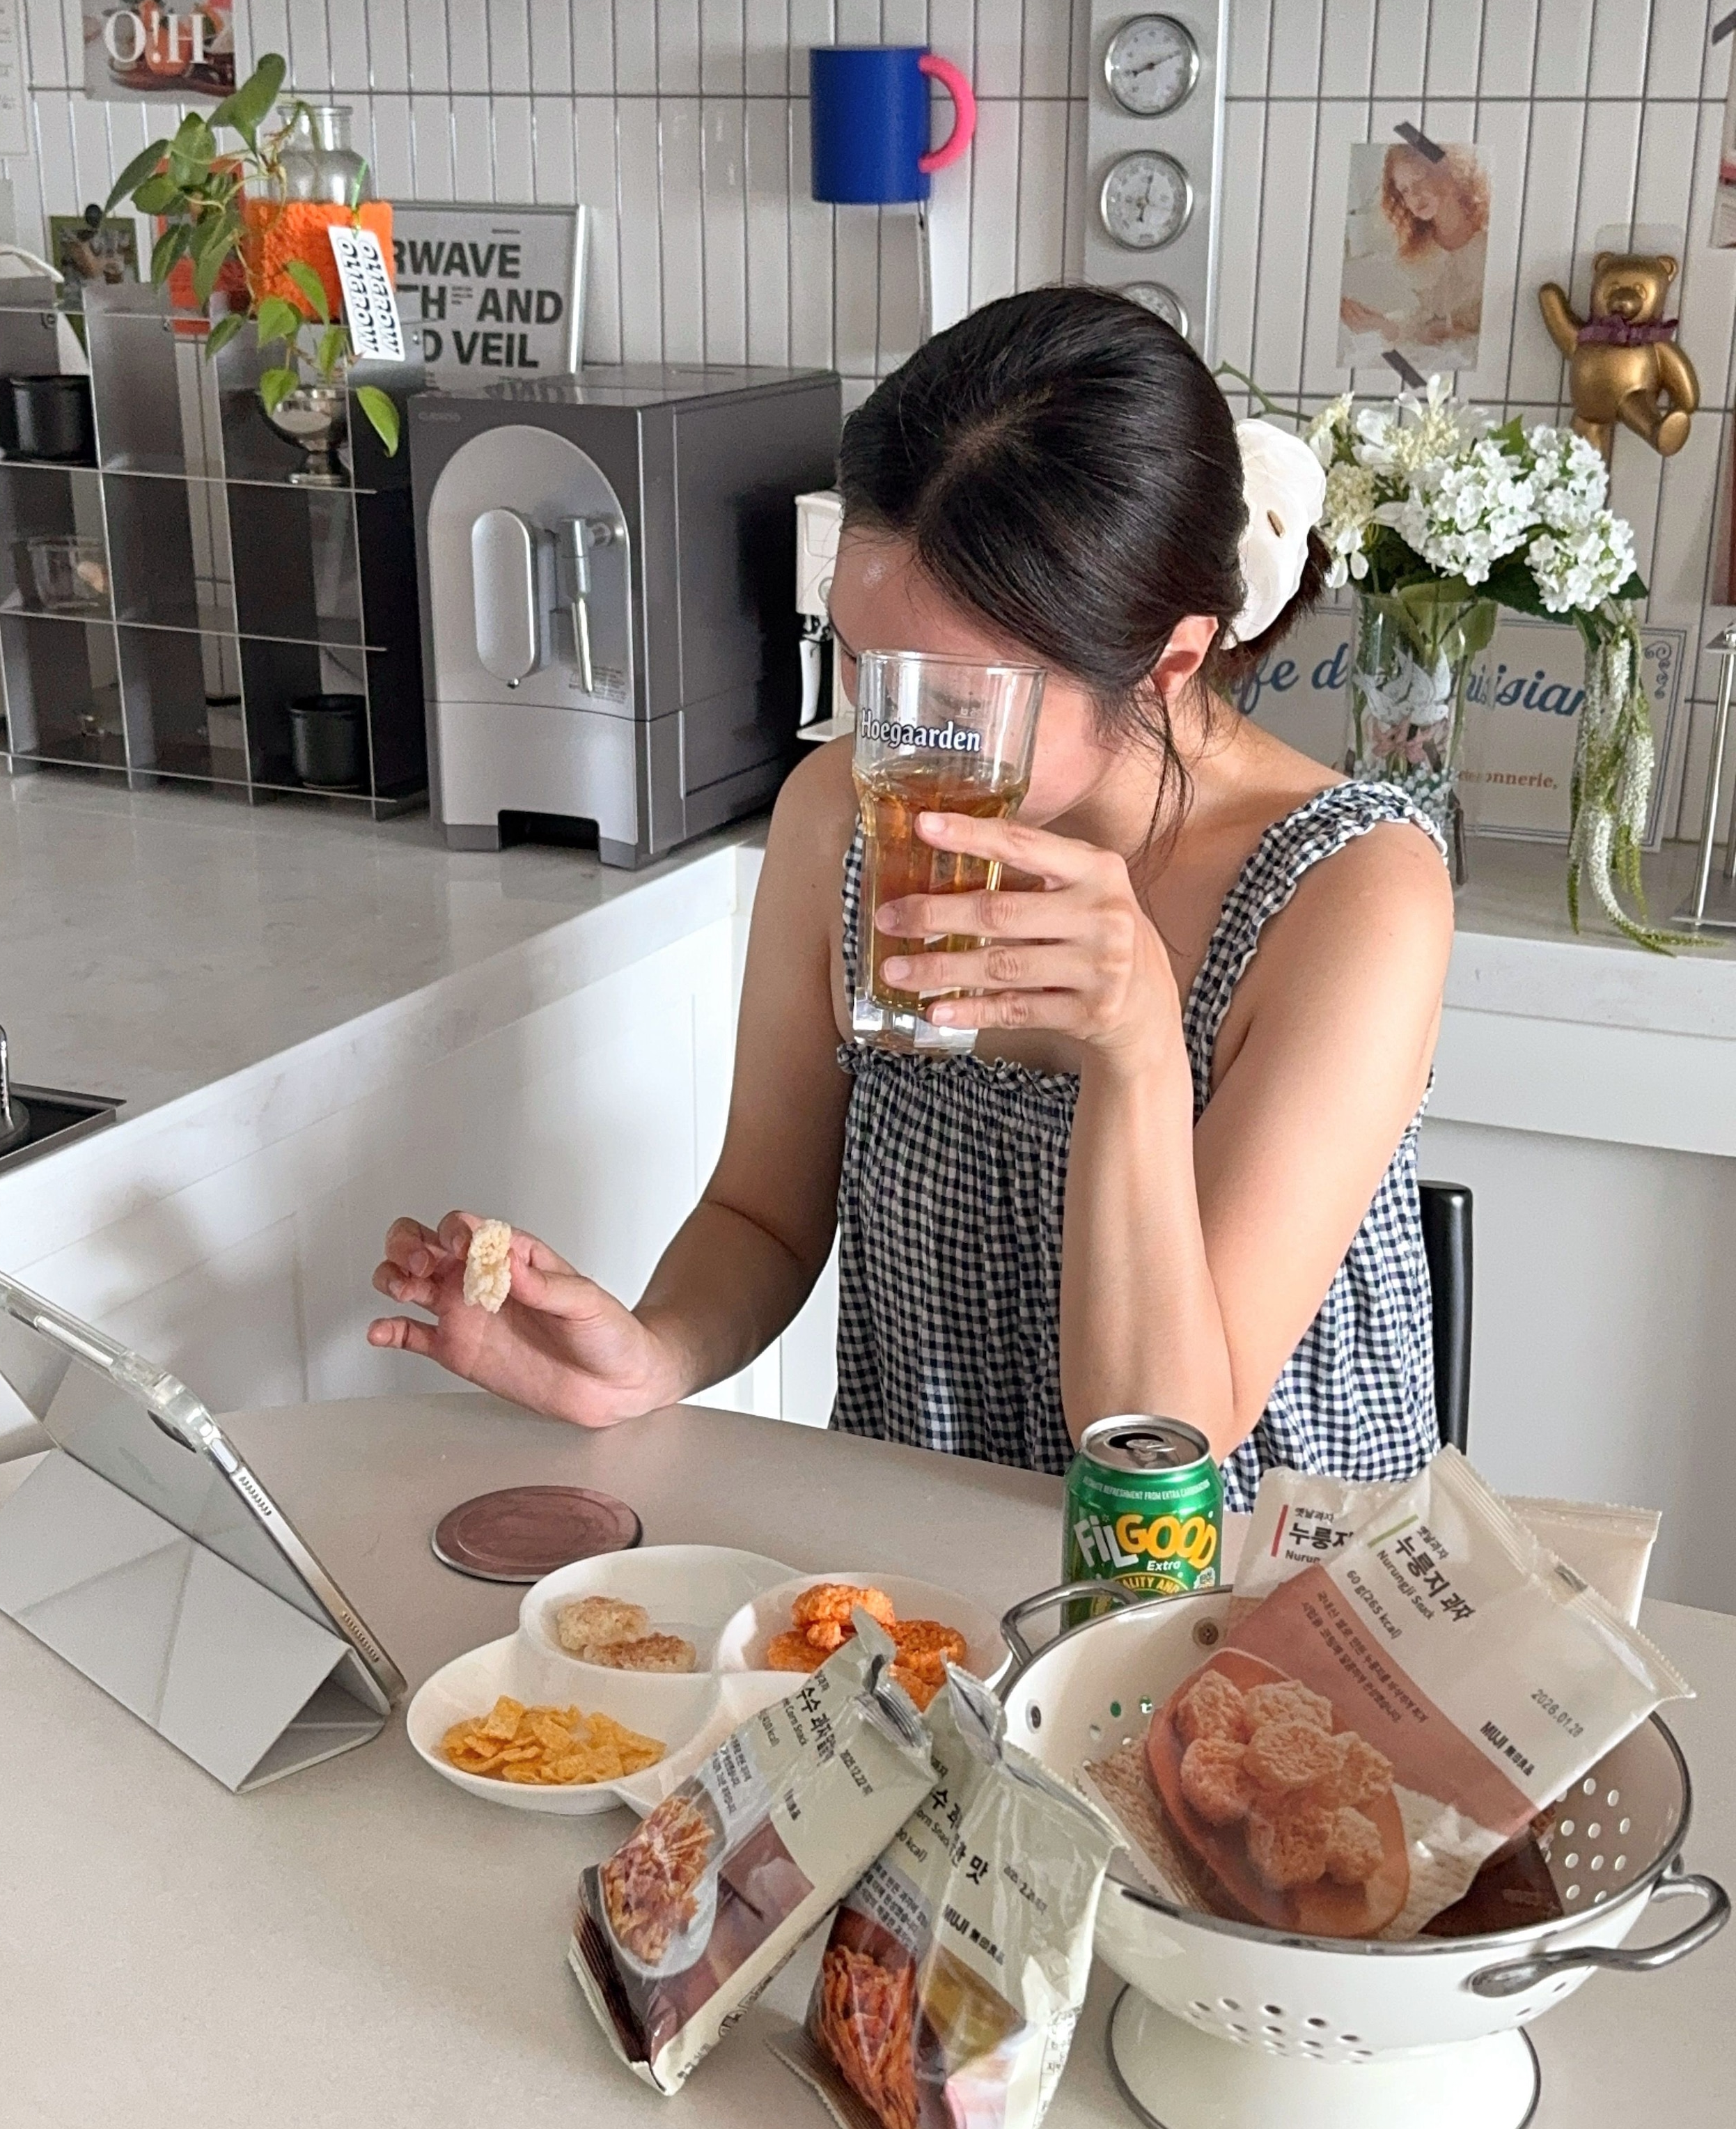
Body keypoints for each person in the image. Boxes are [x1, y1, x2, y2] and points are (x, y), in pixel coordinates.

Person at [369, 288, 1453, 1510]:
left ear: (1171, 663)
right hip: (925, 1565)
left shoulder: (1351, 895)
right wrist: (649, 1354)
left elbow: (1165, 1441)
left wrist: (1141, 1046)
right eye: (859, 662)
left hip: (1254, 1590)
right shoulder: (841, 811)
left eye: (949, 701)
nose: (890, 741)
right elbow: (761, 1215)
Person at [1340, 141, 1489, 370]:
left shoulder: (1489, 240)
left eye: (1420, 181)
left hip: (1480, 359)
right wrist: (1382, 325)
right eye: (1405, 190)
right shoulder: (1420, 251)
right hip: (1439, 353)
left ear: (1449, 175)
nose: (1414, 196)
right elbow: (1426, 323)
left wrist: (1452, 332)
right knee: (1372, 363)